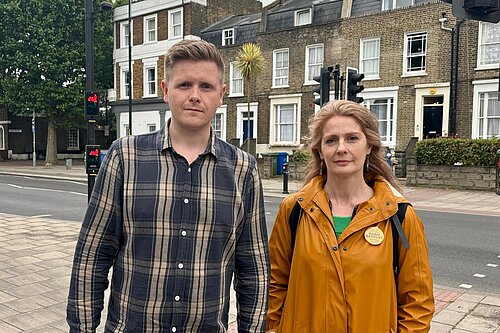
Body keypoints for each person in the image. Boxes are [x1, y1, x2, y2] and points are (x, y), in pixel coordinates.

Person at [67, 39, 270, 332]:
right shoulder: (124, 158)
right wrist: (81, 328)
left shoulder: (244, 170)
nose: (195, 96)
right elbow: (92, 255)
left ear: (222, 95)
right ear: (165, 91)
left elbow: (254, 270)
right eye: (184, 85)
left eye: (206, 87)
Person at [266, 100, 434, 332]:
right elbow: (274, 284)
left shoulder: (400, 215)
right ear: (320, 151)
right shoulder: (294, 209)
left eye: (352, 138)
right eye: (331, 140)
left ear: (369, 146)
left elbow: (418, 301)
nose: (341, 148)